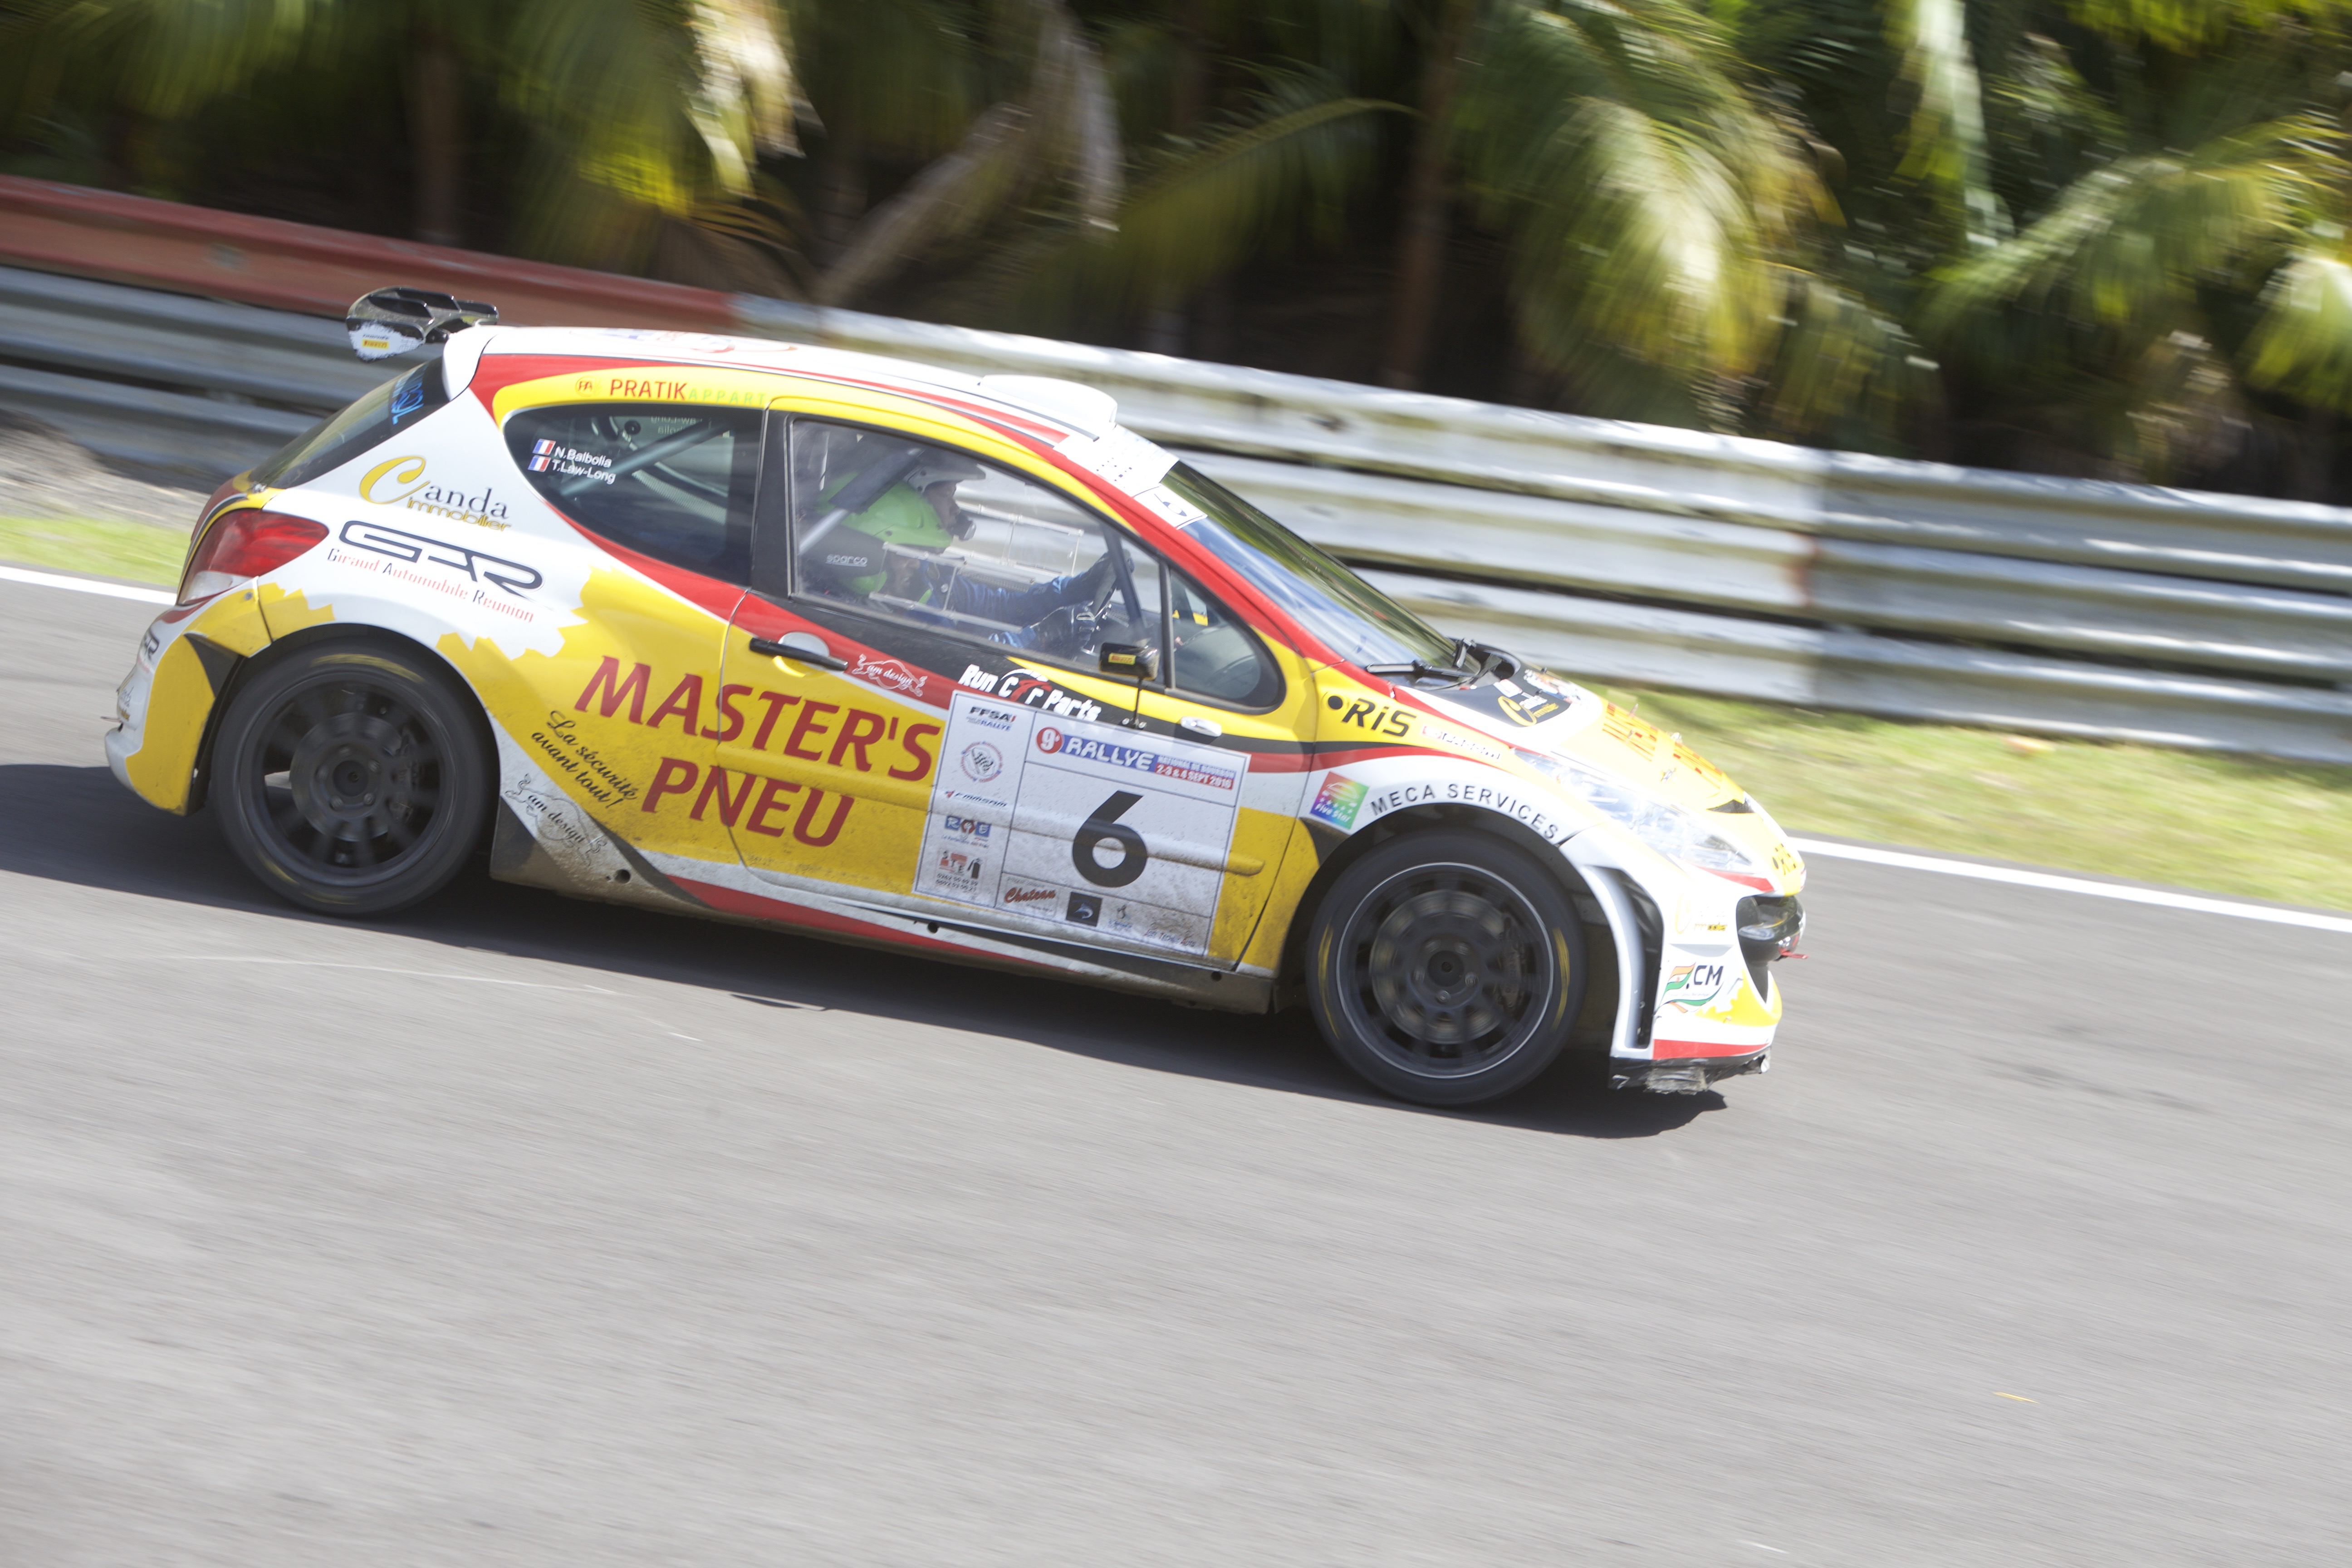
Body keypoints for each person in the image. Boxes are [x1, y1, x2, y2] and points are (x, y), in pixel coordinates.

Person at [804, 452, 1120, 653]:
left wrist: (1073, 590)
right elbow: (956, 659)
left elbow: (993, 604)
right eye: (946, 496)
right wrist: (1040, 638)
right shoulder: (859, 618)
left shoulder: (917, 579)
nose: (916, 561)